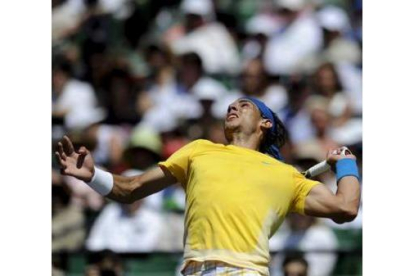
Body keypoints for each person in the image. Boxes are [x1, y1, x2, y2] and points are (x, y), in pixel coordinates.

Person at [55, 97, 360, 276]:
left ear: (265, 123)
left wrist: (346, 164)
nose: (232, 108)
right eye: (230, 105)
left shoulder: (286, 174)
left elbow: (345, 207)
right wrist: (93, 175)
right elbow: (131, 187)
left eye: (243, 105)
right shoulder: (199, 150)